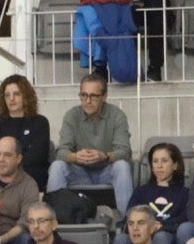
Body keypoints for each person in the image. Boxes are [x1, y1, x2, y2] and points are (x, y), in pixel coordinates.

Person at [47, 74, 133, 212]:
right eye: (83, 95)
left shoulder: (117, 115)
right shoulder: (71, 115)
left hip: (107, 171)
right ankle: (53, 221)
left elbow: (124, 152)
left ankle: (128, 223)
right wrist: (75, 157)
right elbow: (61, 151)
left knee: (122, 166)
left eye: (93, 96)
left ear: (104, 96)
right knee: (57, 167)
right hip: (79, 172)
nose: (87, 101)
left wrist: (104, 156)